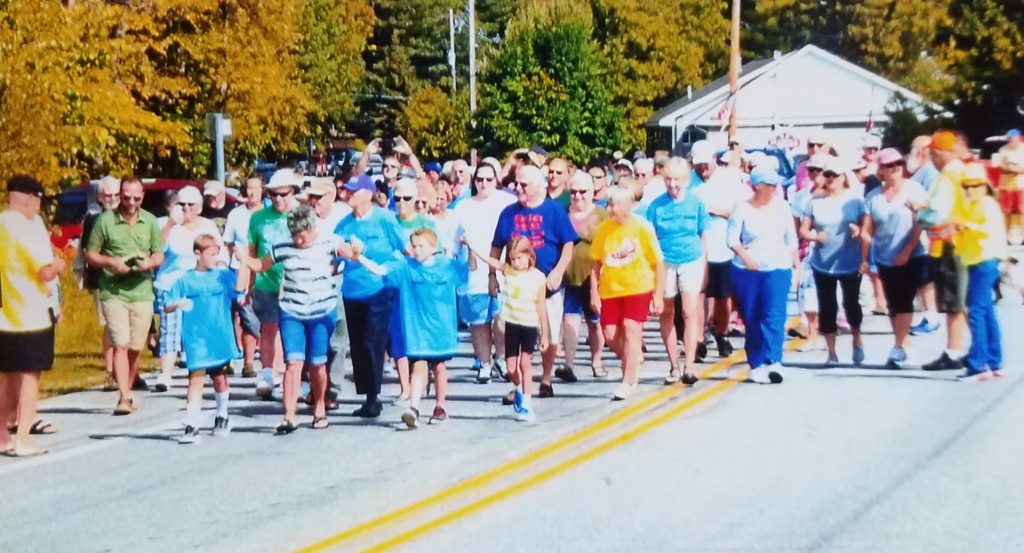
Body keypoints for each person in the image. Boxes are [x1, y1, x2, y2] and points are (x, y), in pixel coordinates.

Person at [239, 205, 356, 433]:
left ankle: (320, 404)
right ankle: (288, 416)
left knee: (317, 364)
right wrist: (244, 258)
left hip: (321, 311)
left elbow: (353, 255)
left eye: (302, 236)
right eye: (295, 236)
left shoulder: (329, 242)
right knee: (293, 363)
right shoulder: (282, 247)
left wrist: (357, 250)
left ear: (312, 229)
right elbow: (262, 265)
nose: (299, 241)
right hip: (292, 311)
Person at [355, 228, 469, 427]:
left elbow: (467, 268)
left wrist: (469, 247)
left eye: (421, 246)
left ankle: (440, 406)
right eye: (414, 245)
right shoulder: (405, 266)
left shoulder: (446, 266)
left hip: (440, 330)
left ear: (434, 248)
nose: (416, 250)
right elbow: (381, 270)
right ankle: (414, 408)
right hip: (417, 329)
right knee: (418, 367)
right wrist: (359, 258)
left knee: (439, 367)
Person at [491, 165, 578, 399]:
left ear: (539, 186)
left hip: (547, 287)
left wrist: (559, 271)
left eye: (523, 184)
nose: (517, 188)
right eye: (516, 184)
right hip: (516, 289)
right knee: (514, 339)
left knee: (549, 339)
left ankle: (546, 378)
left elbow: (568, 244)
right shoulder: (508, 213)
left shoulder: (554, 211)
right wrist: (492, 276)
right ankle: (520, 386)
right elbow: (496, 245)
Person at [85, 177, 165, 415]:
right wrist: (110, 261)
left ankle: (128, 385)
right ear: (120, 195)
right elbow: (90, 254)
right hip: (113, 290)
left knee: (135, 347)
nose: (131, 202)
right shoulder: (104, 220)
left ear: (143, 196)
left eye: (136, 197)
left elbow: (159, 254)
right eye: (126, 197)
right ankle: (124, 396)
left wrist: (148, 262)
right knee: (120, 343)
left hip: (142, 290)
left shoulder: (150, 221)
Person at [0, 176, 66, 457]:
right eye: (39, 200)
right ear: (27, 196)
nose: (39, 207)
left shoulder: (1, 222)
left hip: (4, 314)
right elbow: (44, 271)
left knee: (5, 376)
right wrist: (61, 263)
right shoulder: (25, 227)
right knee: (30, 377)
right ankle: (23, 438)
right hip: (32, 314)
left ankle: (2, 435)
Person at [334, 174, 406, 418]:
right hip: (352, 290)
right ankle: (368, 397)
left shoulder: (385, 219)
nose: (349, 194)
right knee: (358, 345)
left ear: (368, 193)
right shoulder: (343, 224)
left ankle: (374, 394)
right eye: (347, 190)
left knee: (372, 341)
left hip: (380, 288)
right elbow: (333, 257)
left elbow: (404, 249)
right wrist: (344, 255)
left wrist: (390, 268)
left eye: (354, 190)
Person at [590, 186, 665, 401]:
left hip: (638, 287)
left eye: (613, 204)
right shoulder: (604, 229)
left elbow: (658, 263)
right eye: (608, 204)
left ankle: (628, 380)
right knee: (610, 334)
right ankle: (631, 358)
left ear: (626, 206)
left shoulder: (642, 227)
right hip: (610, 290)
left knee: (632, 329)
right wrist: (594, 293)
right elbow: (595, 264)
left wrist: (657, 295)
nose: (609, 208)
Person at [163, 234, 240, 443]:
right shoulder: (184, 279)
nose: (216, 258)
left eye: (217, 253)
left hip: (219, 334)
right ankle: (192, 423)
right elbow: (167, 304)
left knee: (218, 377)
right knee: (195, 378)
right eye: (212, 254)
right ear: (198, 254)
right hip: (196, 337)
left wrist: (244, 263)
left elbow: (240, 291)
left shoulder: (223, 276)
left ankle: (222, 415)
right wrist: (178, 303)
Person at [466, 236, 550, 421]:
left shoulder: (538, 277)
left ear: (529, 256)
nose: (516, 262)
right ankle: (520, 388)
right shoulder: (509, 271)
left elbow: (541, 307)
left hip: (529, 325)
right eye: (513, 259)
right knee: (511, 368)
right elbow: (491, 261)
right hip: (512, 324)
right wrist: (472, 246)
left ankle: (527, 404)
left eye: (520, 258)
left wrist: (545, 334)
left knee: (525, 363)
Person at [728, 168, 799, 384]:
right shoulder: (741, 207)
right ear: (756, 186)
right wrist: (745, 256)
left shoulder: (783, 207)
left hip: (777, 268)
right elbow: (732, 239)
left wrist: (796, 267)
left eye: (775, 184)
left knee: (774, 315)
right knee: (752, 318)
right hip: (747, 271)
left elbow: (791, 240)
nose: (773, 188)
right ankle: (756, 364)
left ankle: (773, 360)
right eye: (768, 184)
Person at [861, 148, 930, 370]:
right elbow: (867, 230)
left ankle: (898, 347)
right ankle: (902, 344)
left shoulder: (914, 190)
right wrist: (864, 258)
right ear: (881, 170)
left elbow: (921, 223)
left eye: (898, 164)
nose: (895, 169)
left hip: (912, 254)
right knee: (893, 303)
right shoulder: (874, 197)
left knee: (905, 300)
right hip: (885, 256)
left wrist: (906, 251)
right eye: (889, 165)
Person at [153, 185, 223, 393]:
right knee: (169, 330)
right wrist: (171, 224)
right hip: (171, 284)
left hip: (200, 285)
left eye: (190, 205)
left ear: (199, 207)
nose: (186, 209)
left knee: (199, 330)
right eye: (181, 204)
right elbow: (156, 249)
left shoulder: (208, 226)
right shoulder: (165, 224)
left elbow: (217, 256)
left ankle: (205, 367)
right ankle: (165, 373)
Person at [800, 158, 868, 368]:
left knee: (851, 304)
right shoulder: (814, 202)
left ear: (843, 178)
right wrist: (814, 237)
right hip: (822, 262)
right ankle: (832, 352)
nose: (830, 180)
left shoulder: (855, 201)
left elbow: (865, 230)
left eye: (834, 176)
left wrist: (858, 236)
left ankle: (857, 339)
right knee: (827, 307)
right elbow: (802, 230)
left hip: (848, 260)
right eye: (827, 175)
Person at [453, 163, 515, 383]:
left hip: (502, 270)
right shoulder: (463, 206)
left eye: (489, 179)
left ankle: (501, 357)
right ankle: (485, 363)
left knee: (502, 319)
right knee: (478, 322)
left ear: (496, 179)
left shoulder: (508, 202)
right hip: (473, 273)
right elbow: (453, 240)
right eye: (480, 179)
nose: (484, 184)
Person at [648, 157, 708, 385]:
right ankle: (674, 365)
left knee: (690, 311)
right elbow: (649, 237)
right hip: (664, 262)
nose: (672, 185)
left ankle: (690, 365)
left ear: (685, 181)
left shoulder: (696, 203)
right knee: (667, 312)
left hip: (691, 259)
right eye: (668, 180)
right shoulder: (656, 206)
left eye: (677, 180)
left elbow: (703, 235)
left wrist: (706, 266)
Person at [691, 139, 751, 356]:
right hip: (697, 250)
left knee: (723, 297)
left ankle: (721, 333)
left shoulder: (729, 180)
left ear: (714, 159)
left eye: (705, 164)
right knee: (698, 294)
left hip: (723, 247)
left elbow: (744, 208)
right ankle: (699, 340)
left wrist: (717, 210)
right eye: (698, 164)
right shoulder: (689, 183)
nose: (701, 168)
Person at [917, 131, 969, 372]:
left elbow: (937, 214)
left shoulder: (947, 178)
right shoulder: (964, 171)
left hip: (951, 244)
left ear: (938, 153)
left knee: (954, 302)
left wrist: (920, 212)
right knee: (965, 300)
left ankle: (954, 350)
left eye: (933, 155)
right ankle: (979, 348)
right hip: (965, 242)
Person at [247, 169, 298, 398]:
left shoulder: (300, 214)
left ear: (292, 192)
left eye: (283, 194)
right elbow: (251, 252)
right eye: (273, 195)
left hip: (296, 283)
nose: (278, 199)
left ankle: (294, 376)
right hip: (266, 283)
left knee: (291, 331)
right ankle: (268, 374)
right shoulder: (258, 217)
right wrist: (247, 285)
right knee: (269, 328)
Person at [389, 178, 439, 402]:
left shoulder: (426, 224)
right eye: (396, 198)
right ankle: (405, 387)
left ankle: (422, 372)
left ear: (415, 199)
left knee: (421, 333)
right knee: (398, 336)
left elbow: (437, 256)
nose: (401, 202)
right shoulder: (388, 222)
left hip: (421, 288)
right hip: (396, 286)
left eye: (406, 198)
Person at [556, 171, 608, 383]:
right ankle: (569, 364)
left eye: (582, 192)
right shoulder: (562, 213)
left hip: (594, 278)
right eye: (574, 192)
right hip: (570, 277)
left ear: (592, 191)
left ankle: (597, 361)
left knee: (594, 322)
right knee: (569, 319)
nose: (577, 196)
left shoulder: (601, 214)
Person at [957, 163, 1007, 381]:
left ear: (984, 185)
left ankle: (978, 364)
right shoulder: (974, 204)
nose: (970, 189)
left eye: (975, 185)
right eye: (966, 185)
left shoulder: (987, 205)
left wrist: (965, 225)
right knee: (986, 311)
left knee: (976, 310)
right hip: (977, 259)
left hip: (986, 259)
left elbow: (988, 229)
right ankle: (995, 362)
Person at [77, 176, 120, 390]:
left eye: (115, 195)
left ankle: (130, 371)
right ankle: (111, 373)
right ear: (99, 197)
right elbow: (86, 251)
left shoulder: (129, 217)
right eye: (107, 195)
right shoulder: (93, 219)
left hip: (129, 279)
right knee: (111, 327)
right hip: (103, 280)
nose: (111, 199)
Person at [222, 176, 264, 378]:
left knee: (259, 318)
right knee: (240, 316)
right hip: (239, 270)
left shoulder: (269, 214)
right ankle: (238, 361)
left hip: (264, 270)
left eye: (256, 188)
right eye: (249, 188)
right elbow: (228, 244)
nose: (253, 192)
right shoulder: (236, 215)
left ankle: (258, 361)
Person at [997, 128, 1024, 234]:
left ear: (1018, 138)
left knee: (1022, 210)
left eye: (1012, 139)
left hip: (1022, 185)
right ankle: (1005, 235)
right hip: (1006, 185)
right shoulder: (1002, 150)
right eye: (1009, 139)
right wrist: (1013, 168)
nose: (1010, 141)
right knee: (1005, 211)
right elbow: (1001, 166)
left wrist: (1011, 168)